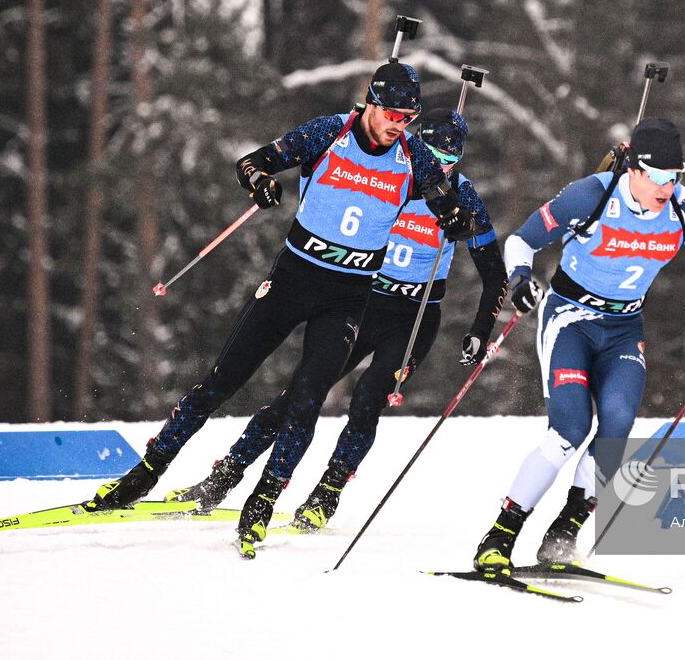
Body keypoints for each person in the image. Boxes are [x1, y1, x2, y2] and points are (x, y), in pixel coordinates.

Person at [85, 61, 477, 553]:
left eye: (409, 115)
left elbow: (448, 207)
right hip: (294, 278)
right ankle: (143, 475)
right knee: (222, 381)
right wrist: (260, 182)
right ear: (372, 103)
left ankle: (261, 504)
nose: (400, 123)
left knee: (307, 401)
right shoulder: (328, 133)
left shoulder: (413, 155)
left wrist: (458, 221)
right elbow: (253, 161)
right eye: (394, 113)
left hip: (350, 295)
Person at [162, 109, 507, 533]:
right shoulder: (399, 169)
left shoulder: (459, 196)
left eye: (449, 159)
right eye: (432, 154)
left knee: (368, 399)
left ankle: (326, 493)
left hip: (413, 317)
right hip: (362, 301)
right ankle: (224, 477)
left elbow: (494, 273)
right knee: (297, 397)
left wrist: (480, 329)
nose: (439, 166)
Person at [471, 118, 685, 574]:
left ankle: (563, 534)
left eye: (676, 176)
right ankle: (500, 535)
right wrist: (521, 278)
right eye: (660, 177)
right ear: (636, 171)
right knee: (569, 429)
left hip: (623, 327)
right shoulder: (591, 196)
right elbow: (523, 240)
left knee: (617, 427)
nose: (668, 186)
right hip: (571, 318)